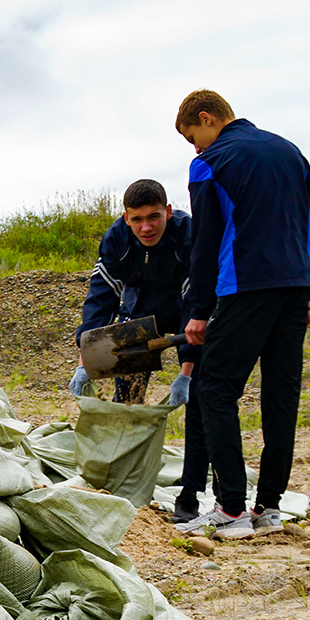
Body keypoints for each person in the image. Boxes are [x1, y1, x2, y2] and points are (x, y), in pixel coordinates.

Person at [174, 89, 310, 540]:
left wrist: (199, 309)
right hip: (294, 289)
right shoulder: (289, 151)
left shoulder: (211, 162)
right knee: (280, 398)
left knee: (214, 388)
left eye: (193, 137)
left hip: (245, 287)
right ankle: (269, 508)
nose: (195, 148)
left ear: (207, 119)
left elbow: (207, 240)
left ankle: (231, 509)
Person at [70, 179, 210, 520]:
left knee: (202, 402)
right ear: (126, 218)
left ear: (168, 212)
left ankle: (190, 494)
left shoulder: (188, 235)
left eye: (154, 217)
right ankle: (122, 481)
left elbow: (196, 300)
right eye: (137, 219)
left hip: (186, 312)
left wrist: (186, 372)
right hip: (138, 316)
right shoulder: (117, 239)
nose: (146, 227)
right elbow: (100, 301)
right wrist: (85, 359)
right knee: (128, 399)